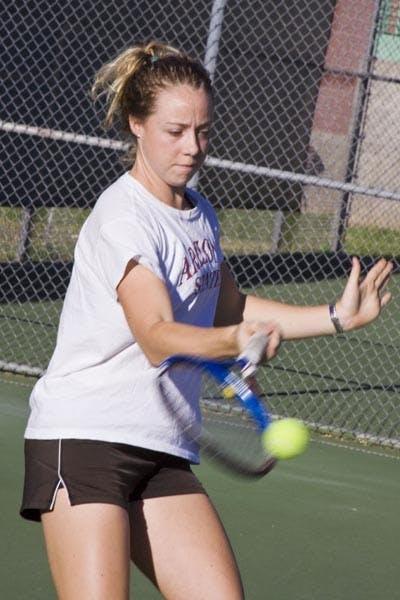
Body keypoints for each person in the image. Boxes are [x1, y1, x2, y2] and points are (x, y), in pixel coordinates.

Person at [20, 40, 393, 600]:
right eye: (175, 131)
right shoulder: (124, 217)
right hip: (84, 441)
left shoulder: (199, 214)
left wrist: (336, 316)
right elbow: (156, 334)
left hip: (163, 447)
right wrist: (230, 343)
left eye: (203, 131)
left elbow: (231, 308)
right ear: (136, 125)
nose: (193, 147)